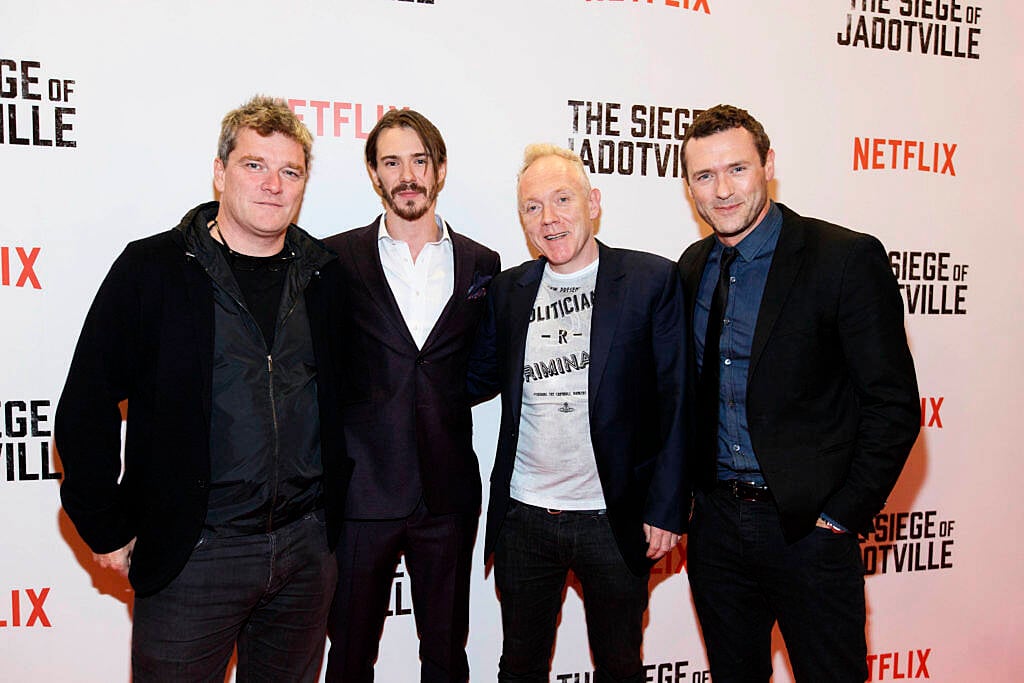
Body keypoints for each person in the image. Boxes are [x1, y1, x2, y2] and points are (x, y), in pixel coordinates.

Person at [56, 95, 350, 681]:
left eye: (289, 171)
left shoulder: (324, 277)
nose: (273, 185)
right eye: (254, 165)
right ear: (220, 173)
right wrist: (103, 522)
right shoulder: (154, 270)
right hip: (195, 555)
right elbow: (85, 401)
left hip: (303, 553)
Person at [676, 104, 920, 682]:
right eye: (704, 177)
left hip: (808, 532)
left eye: (736, 169)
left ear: (769, 166)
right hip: (715, 533)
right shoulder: (691, 267)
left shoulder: (843, 258)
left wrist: (840, 517)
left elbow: (893, 404)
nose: (722, 190)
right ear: (689, 188)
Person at [468, 144, 688, 683]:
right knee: (519, 666)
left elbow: (677, 401)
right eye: (532, 207)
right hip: (525, 517)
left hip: (614, 518)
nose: (550, 218)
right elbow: (471, 379)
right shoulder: (508, 291)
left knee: (619, 665)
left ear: (593, 202)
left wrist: (665, 509)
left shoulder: (649, 282)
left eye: (563, 199)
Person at [323, 109, 500, 683]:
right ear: (374, 174)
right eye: (391, 162)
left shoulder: (482, 263)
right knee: (349, 655)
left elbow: (483, 367)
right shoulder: (334, 261)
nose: (407, 176)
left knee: (447, 656)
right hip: (361, 492)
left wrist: (440, 403)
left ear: (440, 169)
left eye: (419, 161)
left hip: (447, 495)